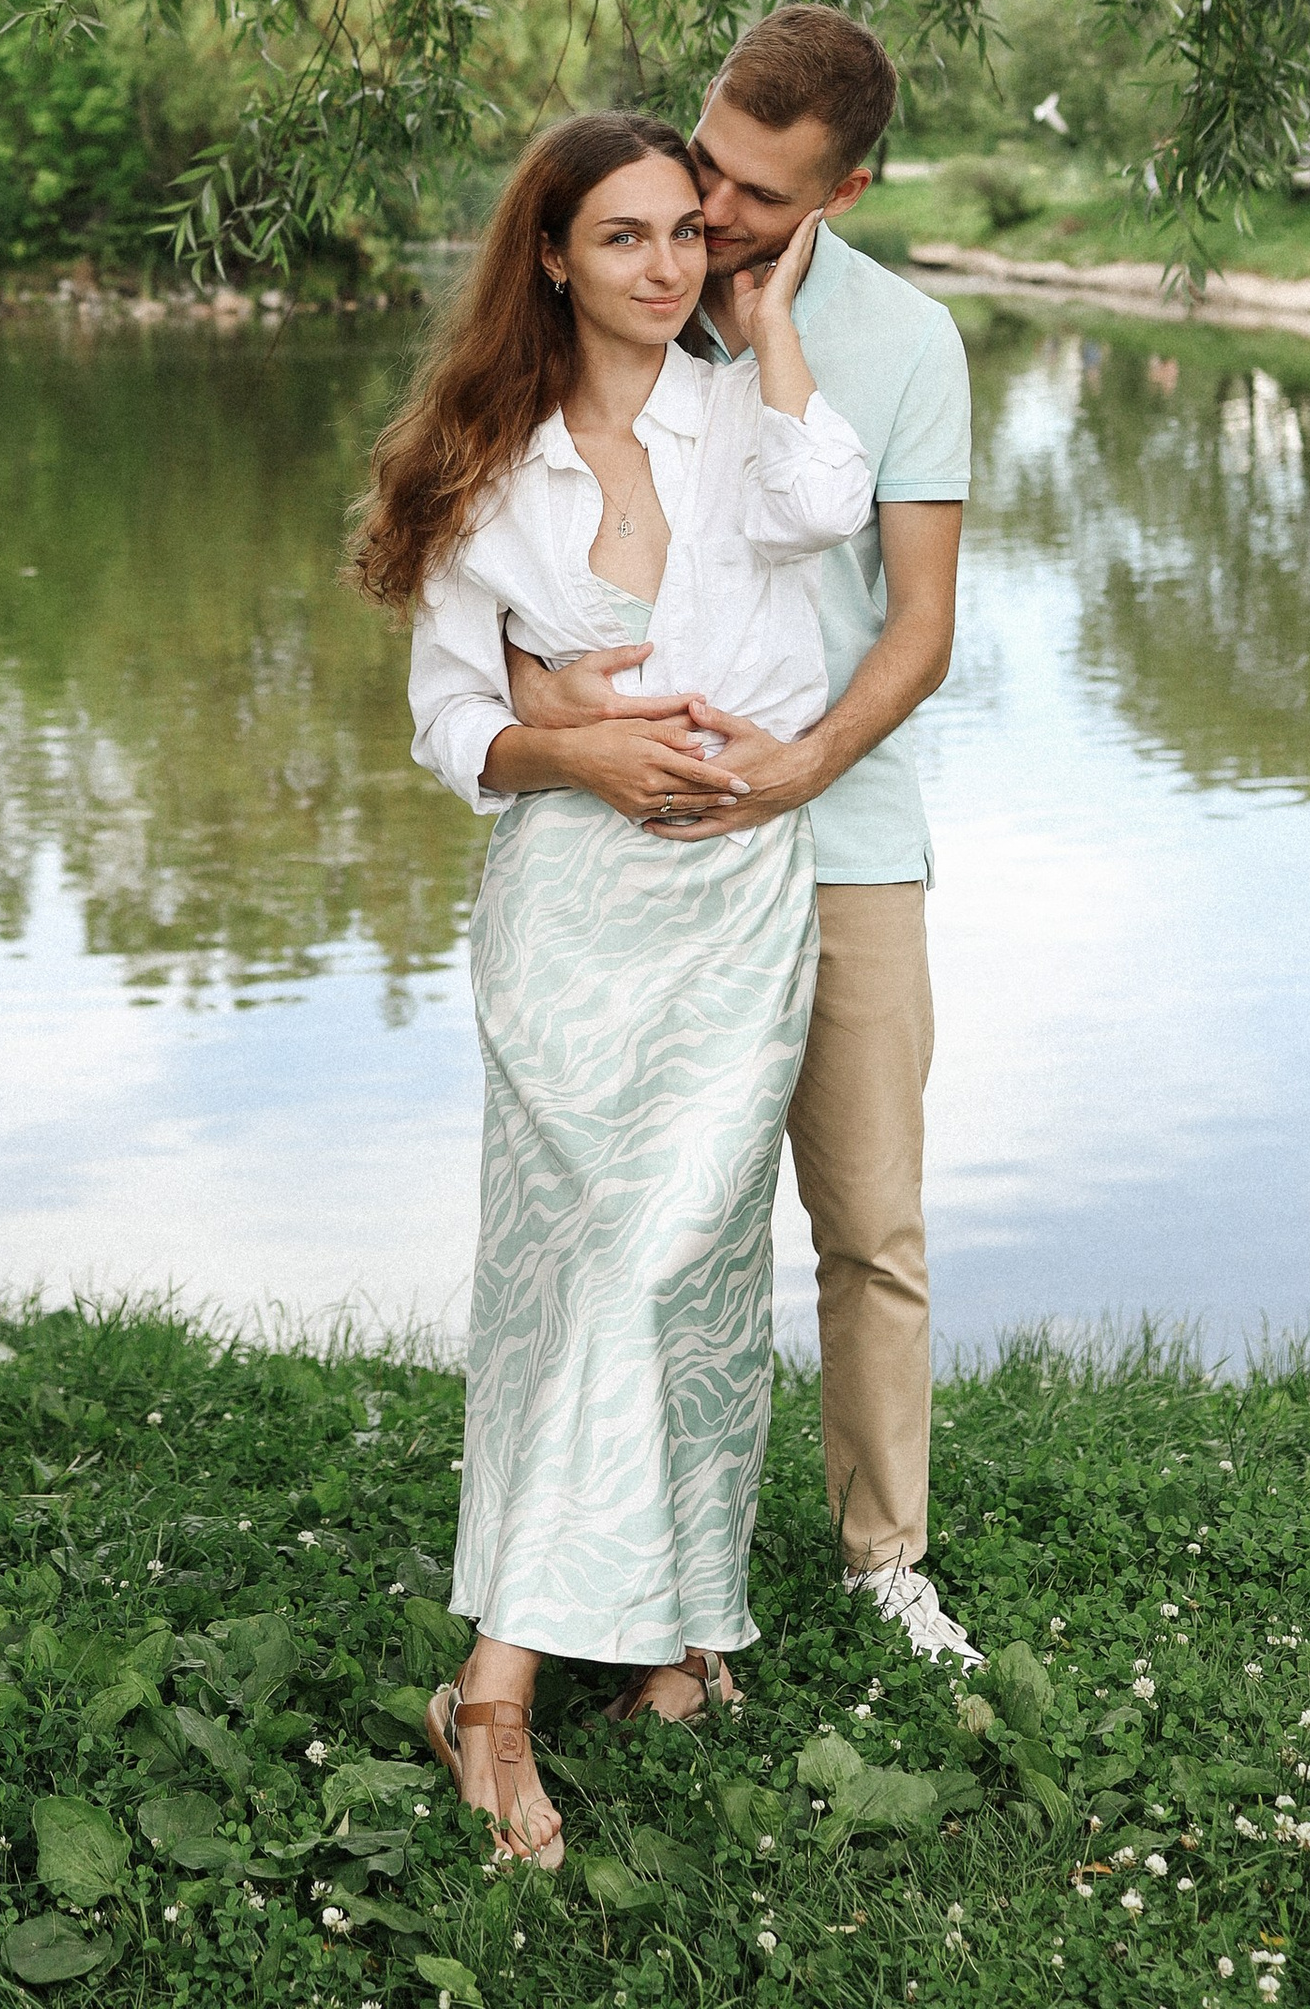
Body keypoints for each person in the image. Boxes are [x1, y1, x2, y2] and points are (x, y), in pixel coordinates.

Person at [351, 110, 875, 1868]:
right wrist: (569, 753)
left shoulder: (747, 419)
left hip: (736, 903)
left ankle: (551, 1666)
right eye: (626, 238)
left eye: (686, 234)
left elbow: (834, 506)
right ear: (554, 259)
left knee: (684, 1250)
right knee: (591, 1263)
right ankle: (596, 1664)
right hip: (569, 908)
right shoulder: (482, 463)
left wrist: (777, 315)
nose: (666, 266)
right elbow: (447, 718)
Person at [500, 5, 978, 1667]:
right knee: (642, 1220)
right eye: (704, 161)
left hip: (839, 842)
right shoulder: (631, 290)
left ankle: (882, 1558)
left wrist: (803, 771)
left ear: (845, 188)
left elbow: (916, 630)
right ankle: (623, 1573)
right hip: (637, 854)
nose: (708, 215)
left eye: (756, 196)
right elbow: (509, 543)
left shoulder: (910, 348)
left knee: (866, 1221)